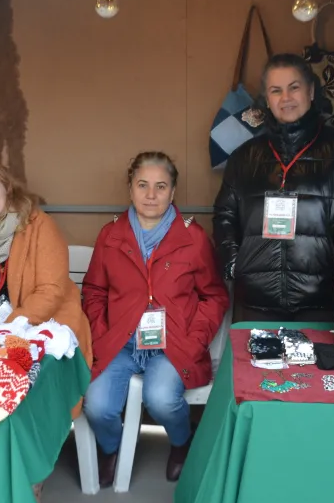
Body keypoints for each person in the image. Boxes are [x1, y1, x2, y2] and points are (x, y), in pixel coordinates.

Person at [82, 152, 229, 485]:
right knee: (97, 406)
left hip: (172, 345)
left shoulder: (193, 238)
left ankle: (181, 442)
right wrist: (102, 333)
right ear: (130, 189)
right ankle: (112, 448)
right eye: (143, 185)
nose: (151, 195)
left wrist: (194, 339)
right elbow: (94, 291)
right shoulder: (110, 235)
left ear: (172, 192)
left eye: (161, 186)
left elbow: (215, 296)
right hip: (121, 343)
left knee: (161, 399)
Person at [213, 53, 334, 322]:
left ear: (311, 91)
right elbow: (224, 215)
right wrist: (236, 266)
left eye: (294, 87)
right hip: (256, 303)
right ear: (267, 99)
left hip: (324, 304)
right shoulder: (244, 158)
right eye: (276, 90)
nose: (286, 98)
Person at [0, 157, 93, 371]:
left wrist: (9, 328)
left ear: (7, 188)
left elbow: (50, 292)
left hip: (50, 329)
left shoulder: (39, 225)